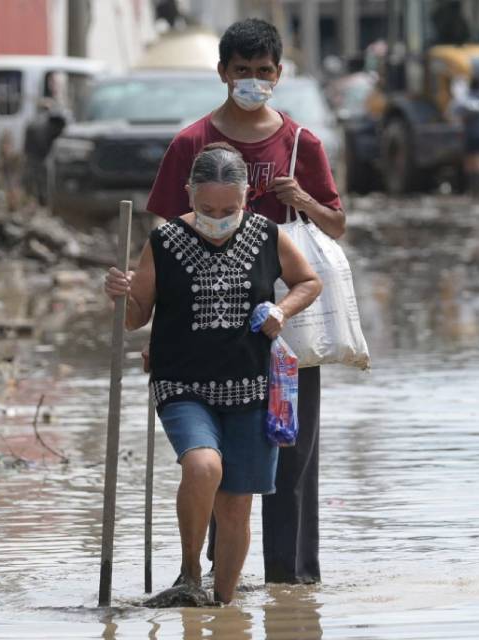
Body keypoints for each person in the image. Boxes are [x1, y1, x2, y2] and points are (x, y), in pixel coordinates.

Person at [146, 18, 344, 585]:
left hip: (284, 320)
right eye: (242, 72)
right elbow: (163, 245)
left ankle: (291, 583)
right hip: (204, 330)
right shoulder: (191, 144)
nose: (253, 81)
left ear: (279, 75)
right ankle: (218, 575)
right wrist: (156, 333)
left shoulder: (302, 143)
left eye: (263, 72)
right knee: (217, 458)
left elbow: (337, 224)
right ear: (222, 74)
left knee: (292, 452)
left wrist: (300, 196)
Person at [104, 142, 323, 605]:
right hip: (182, 383)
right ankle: (188, 574)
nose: (219, 218)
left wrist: (282, 311)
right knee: (203, 466)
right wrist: (122, 295)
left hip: (252, 385)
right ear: (188, 195)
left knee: (236, 506)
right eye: (207, 209)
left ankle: (222, 608)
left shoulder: (267, 234)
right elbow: (135, 317)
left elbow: (309, 281)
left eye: (230, 208)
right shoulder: (163, 242)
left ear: (246, 197)